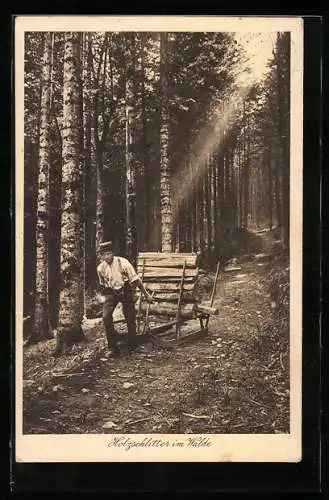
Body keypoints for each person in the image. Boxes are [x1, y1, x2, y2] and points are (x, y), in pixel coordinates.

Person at [97, 241, 154, 357]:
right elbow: (102, 284)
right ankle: (112, 348)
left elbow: (136, 280)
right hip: (111, 292)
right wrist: (102, 297)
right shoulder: (100, 268)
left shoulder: (123, 263)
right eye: (104, 255)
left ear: (112, 253)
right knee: (106, 317)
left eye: (108, 254)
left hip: (125, 289)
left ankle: (133, 345)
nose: (107, 257)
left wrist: (146, 294)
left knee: (130, 316)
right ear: (101, 256)